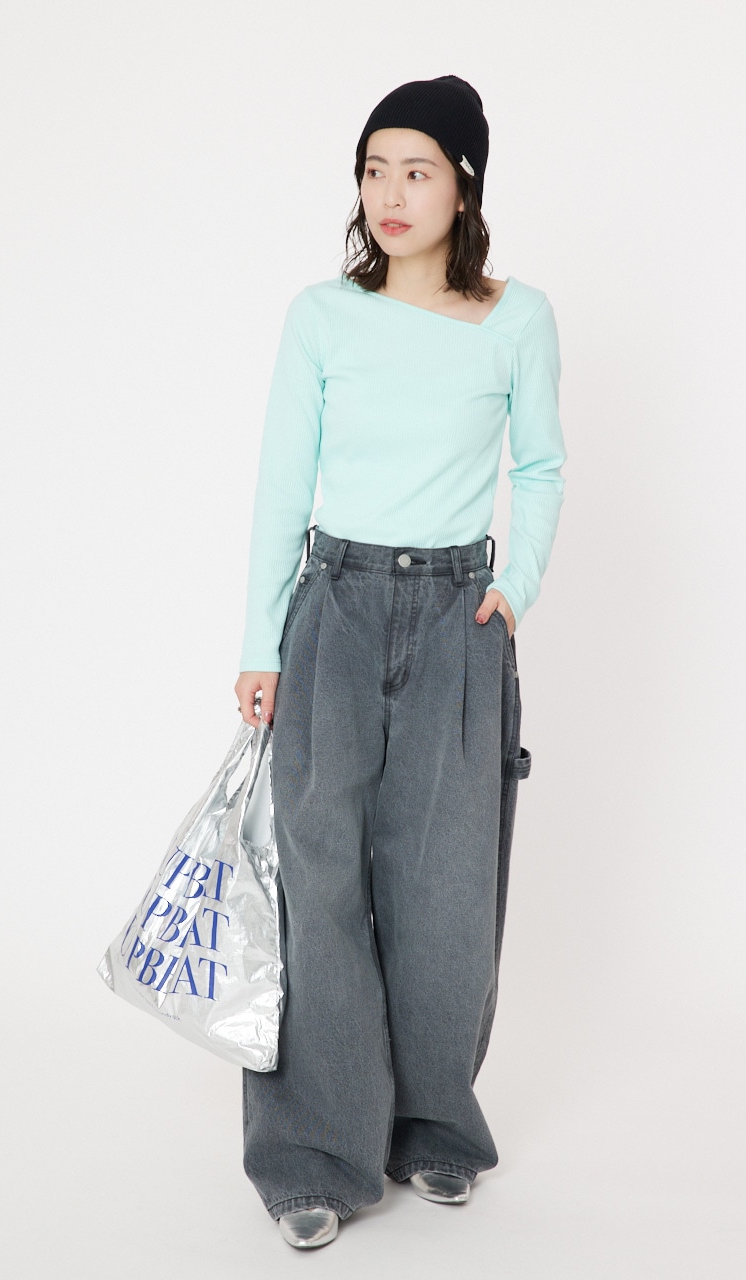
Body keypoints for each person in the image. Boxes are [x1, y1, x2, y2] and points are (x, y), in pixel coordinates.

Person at [233, 74, 567, 1249]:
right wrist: (259, 641)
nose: (390, 192)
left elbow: (540, 466)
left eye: (416, 169)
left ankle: (431, 1127)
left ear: (463, 185)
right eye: (374, 168)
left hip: (456, 617)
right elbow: (283, 483)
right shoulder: (322, 316)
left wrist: (514, 589)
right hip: (334, 605)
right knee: (318, 879)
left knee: (444, 888)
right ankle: (313, 1152)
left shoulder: (518, 318)